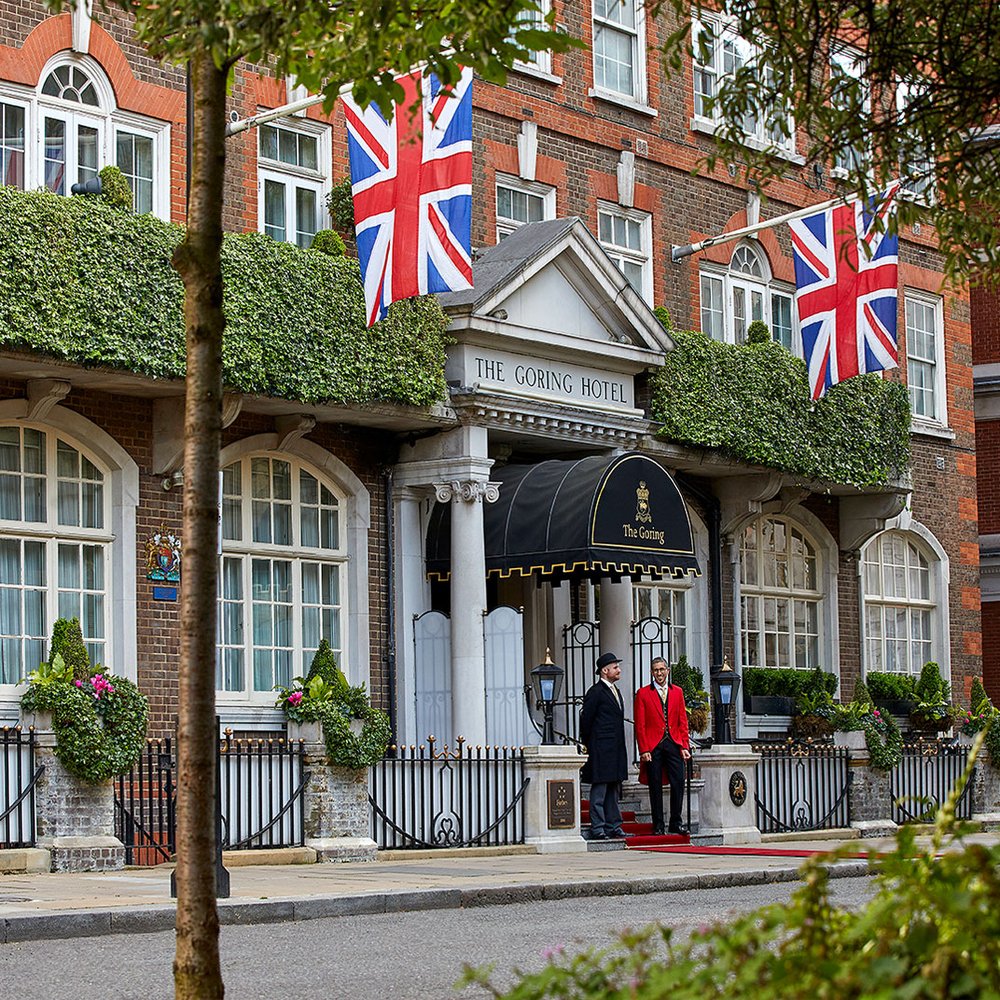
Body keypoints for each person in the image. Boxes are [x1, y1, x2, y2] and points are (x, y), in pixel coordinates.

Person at [634, 656, 691, 835]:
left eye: (662, 669)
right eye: (655, 670)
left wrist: (685, 746)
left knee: (678, 782)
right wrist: (643, 749)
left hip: (674, 743)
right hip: (653, 745)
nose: (659, 673)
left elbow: (683, 721)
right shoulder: (643, 693)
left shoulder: (678, 692)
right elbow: (640, 724)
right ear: (652, 673)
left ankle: (676, 822)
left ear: (668, 671)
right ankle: (658, 824)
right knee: (655, 784)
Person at [580, 651, 629, 840]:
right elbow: (587, 720)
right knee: (599, 790)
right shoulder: (595, 692)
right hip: (601, 748)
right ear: (605, 670)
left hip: (615, 748)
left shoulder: (615, 691)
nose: (619, 670)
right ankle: (598, 827)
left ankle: (614, 826)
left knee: (613, 790)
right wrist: (590, 744)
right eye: (615, 667)